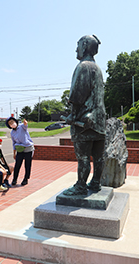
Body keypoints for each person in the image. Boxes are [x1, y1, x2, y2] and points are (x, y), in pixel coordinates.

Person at [62, 35, 106, 196]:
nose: (76, 49)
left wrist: (72, 116)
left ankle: (81, 186)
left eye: (78, 45)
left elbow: (77, 95)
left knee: (84, 157)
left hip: (85, 121)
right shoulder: (97, 68)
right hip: (100, 120)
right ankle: (95, 183)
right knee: (99, 157)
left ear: (85, 45)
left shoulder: (84, 66)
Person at [6, 117, 34, 186]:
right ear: (9, 126)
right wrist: (14, 153)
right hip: (19, 149)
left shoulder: (21, 126)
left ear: (15, 121)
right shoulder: (12, 132)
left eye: (12, 121)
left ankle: (25, 179)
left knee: (27, 165)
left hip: (28, 148)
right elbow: (14, 143)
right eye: (10, 123)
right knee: (17, 165)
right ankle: (14, 179)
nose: (12, 123)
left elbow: (25, 126)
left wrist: (25, 123)